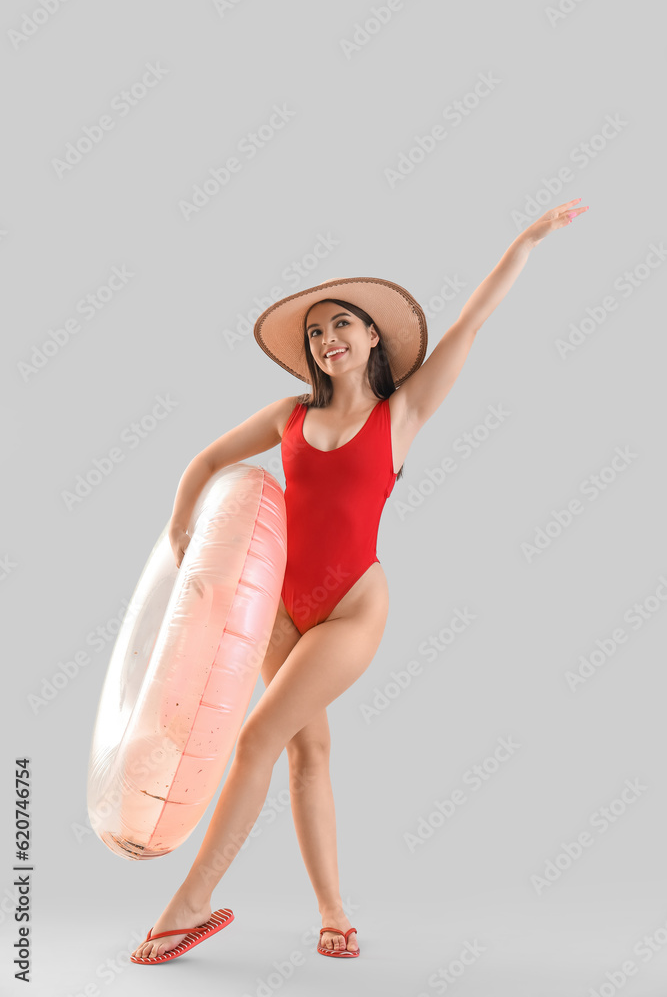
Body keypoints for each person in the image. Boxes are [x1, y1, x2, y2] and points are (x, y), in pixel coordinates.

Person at [130, 197, 588, 964]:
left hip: (350, 609)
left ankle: (189, 905)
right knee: (307, 755)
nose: (326, 337)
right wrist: (180, 535)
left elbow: (468, 324)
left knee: (255, 739)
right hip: (280, 609)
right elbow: (205, 463)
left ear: (370, 335)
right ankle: (334, 913)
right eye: (315, 331)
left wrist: (524, 243)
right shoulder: (284, 416)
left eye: (341, 323)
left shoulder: (400, 415)